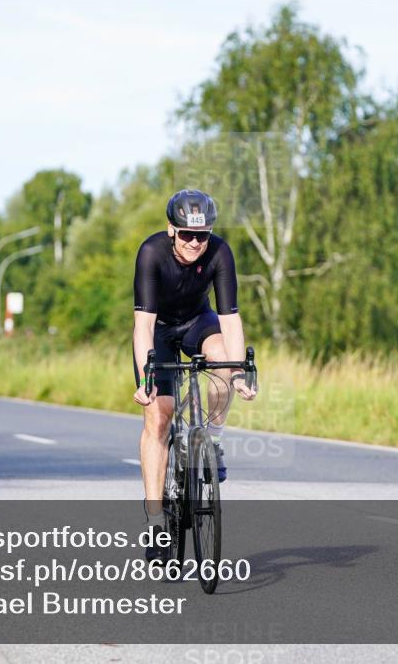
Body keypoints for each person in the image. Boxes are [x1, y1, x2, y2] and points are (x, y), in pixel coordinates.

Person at [132, 189, 257, 562]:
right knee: (159, 415)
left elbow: (230, 321)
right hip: (159, 329)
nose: (194, 243)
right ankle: (156, 522)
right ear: (171, 229)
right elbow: (142, 327)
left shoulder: (219, 253)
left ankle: (213, 440)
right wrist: (145, 379)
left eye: (201, 235)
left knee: (223, 362)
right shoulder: (152, 253)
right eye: (186, 234)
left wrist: (236, 373)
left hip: (197, 322)